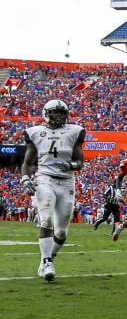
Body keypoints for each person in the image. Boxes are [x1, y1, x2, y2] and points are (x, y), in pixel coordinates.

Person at [21, 99, 86, 282]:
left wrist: (70, 164)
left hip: (66, 182)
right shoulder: (36, 133)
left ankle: (47, 259)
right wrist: (26, 180)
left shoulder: (74, 132)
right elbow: (26, 163)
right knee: (47, 219)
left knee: (62, 233)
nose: (58, 117)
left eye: (61, 113)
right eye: (54, 113)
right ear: (46, 114)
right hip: (45, 179)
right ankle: (48, 261)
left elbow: (80, 162)